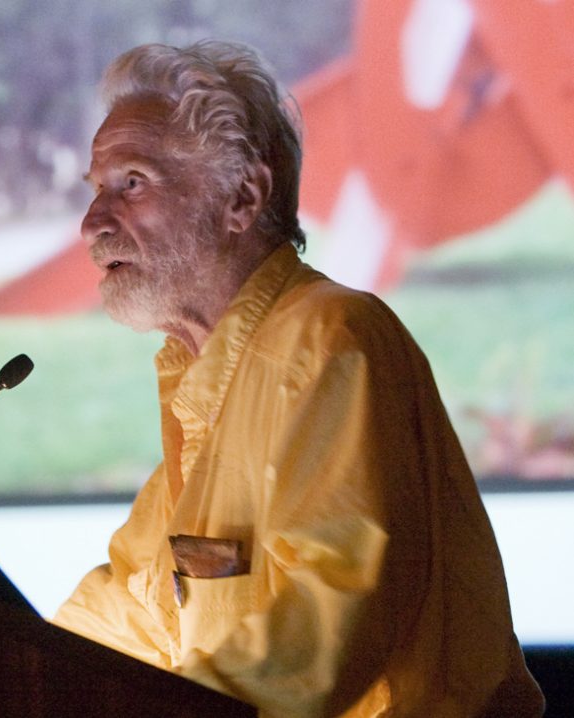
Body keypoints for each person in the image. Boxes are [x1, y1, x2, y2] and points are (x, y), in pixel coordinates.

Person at [51, 41, 544, 718]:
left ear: (242, 196)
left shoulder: (329, 339)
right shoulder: (204, 372)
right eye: (97, 189)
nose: (92, 223)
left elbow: (326, 621)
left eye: (131, 183)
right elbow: (131, 610)